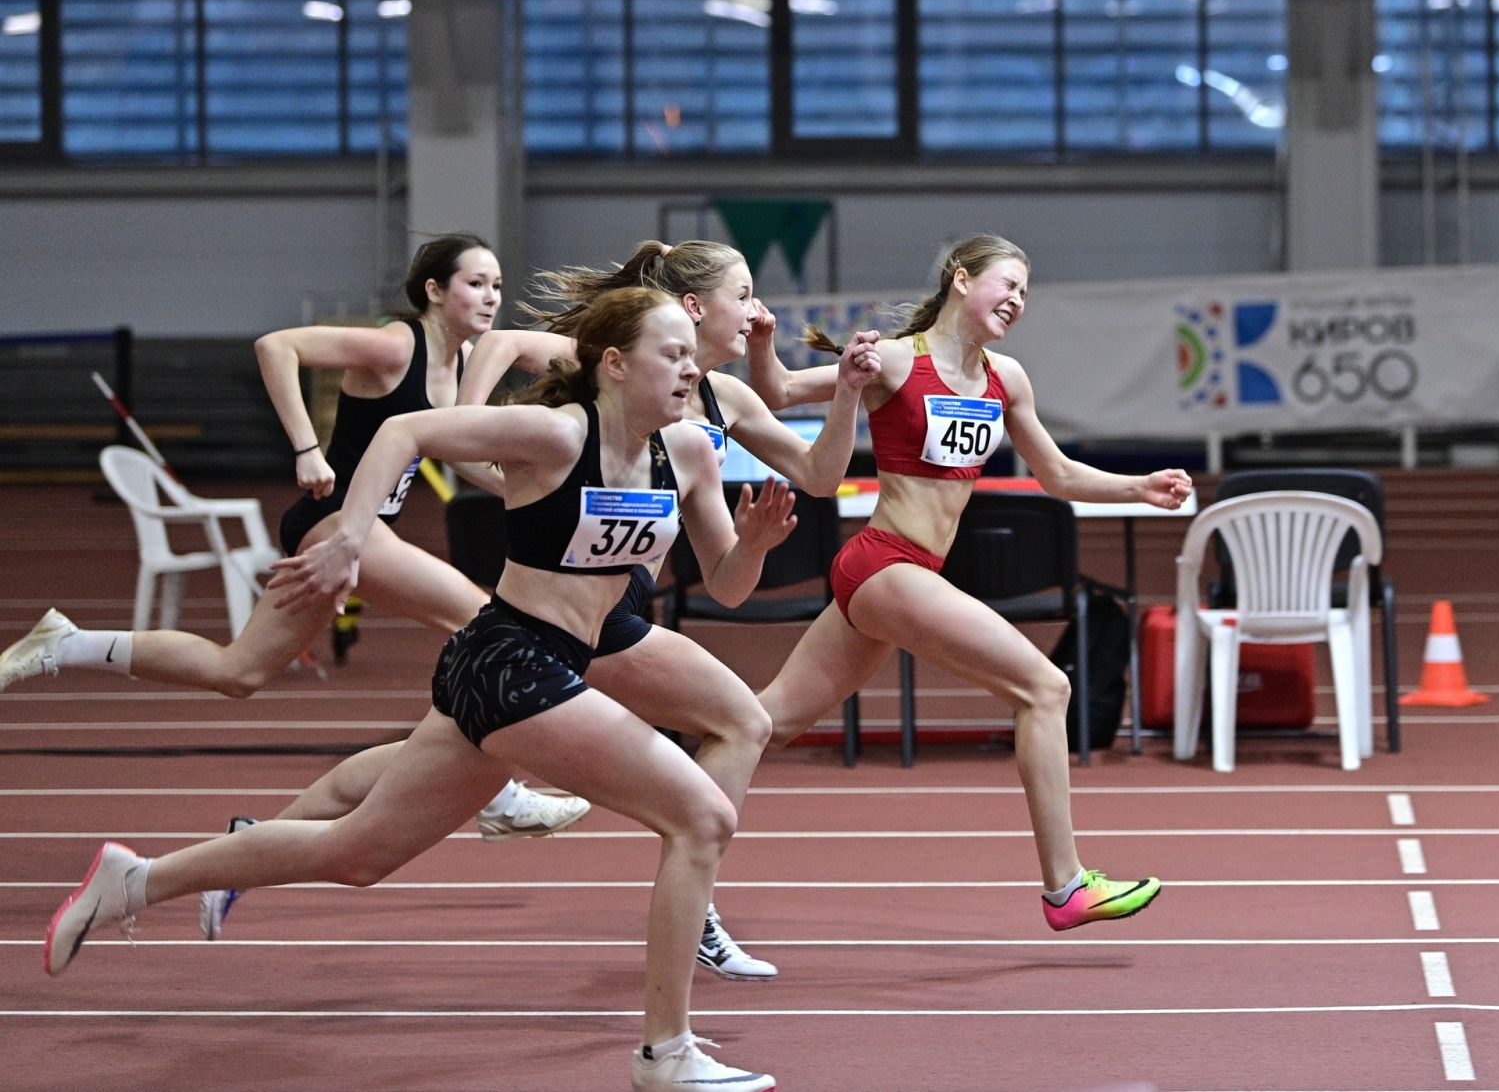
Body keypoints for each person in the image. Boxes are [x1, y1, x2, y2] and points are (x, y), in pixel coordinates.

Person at [44, 286, 793, 1092]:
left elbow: (728, 583)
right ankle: (664, 1051)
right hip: (510, 663)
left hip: (530, 670)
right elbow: (405, 430)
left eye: (691, 355)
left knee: (356, 852)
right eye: (672, 354)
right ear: (614, 365)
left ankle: (137, 879)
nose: (690, 370)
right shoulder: (553, 433)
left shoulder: (687, 452)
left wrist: (750, 547)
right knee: (702, 815)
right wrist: (351, 539)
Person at [203, 240, 881, 979]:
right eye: (744, 293)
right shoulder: (613, 367)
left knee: (428, 770)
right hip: (585, 604)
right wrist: (470, 442)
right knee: (738, 723)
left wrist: (845, 393)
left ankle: (254, 844)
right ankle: (697, 903)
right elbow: (495, 345)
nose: (758, 310)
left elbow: (820, 476)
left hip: (605, 606)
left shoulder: (726, 401)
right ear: (692, 309)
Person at [0, 234, 585, 843]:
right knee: (485, 620)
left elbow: (461, 449)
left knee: (240, 671)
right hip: (337, 521)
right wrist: (307, 448)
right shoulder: (393, 346)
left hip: (356, 531)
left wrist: (524, 491)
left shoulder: (461, 366)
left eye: (496, 285)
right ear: (436, 291)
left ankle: (67, 644)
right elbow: (275, 346)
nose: (490, 297)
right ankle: (500, 793)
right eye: (475, 283)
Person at [752, 234, 1191, 929]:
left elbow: (1059, 476)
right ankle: (1066, 886)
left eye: (1025, 292)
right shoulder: (898, 360)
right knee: (1046, 688)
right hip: (884, 562)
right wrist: (763, 342)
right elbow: (774, 390)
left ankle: (640, 763)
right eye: (1006, 284)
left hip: (909, 574)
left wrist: (1140, 485)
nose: (1016, 300)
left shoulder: (1005, 379)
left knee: (767, 721)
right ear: (962, 279)